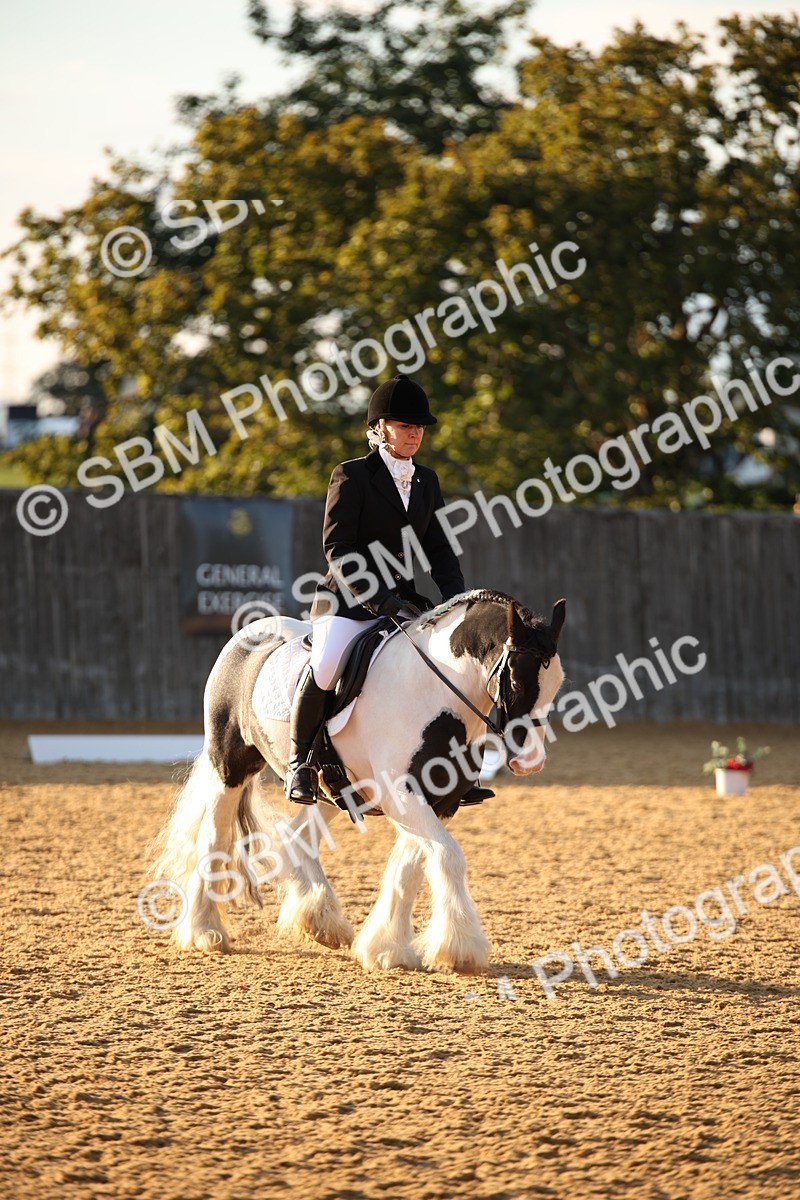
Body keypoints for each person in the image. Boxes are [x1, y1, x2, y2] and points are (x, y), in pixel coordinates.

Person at [285, 372, 491, 806]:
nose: (415, 433)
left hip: (403, 602)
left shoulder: (426, 481)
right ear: (380, 429)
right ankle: (299, 763)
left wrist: (458, 604)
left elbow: (440, 549)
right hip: (347, 601)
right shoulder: (352, 476)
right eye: (405, 425)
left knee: (448, 667)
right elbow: (338, 548)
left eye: (419, 427)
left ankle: (457, 768)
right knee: (324, 666)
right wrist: (380, 600)